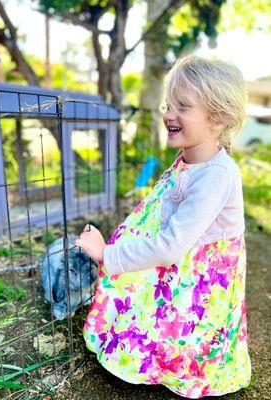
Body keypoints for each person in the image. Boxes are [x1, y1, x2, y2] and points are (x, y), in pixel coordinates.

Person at [74, 54, 251, 399]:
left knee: (194, 333)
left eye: (183, 106)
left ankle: (189, 367)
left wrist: (108, 254)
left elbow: (171, 245)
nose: (169, 114)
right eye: (169, 104)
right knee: (167, 319)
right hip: (186, 268)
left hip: (202, 278)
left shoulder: (217, 175)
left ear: (219, 118)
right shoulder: (189, 159)